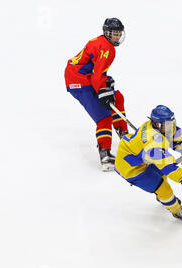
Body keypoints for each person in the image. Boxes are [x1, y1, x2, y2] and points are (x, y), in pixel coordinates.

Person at [115, 105, 182, 223]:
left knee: (162, 176)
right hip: (130, 166)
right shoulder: (152, 141)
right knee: (164, 189)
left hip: (144, 158)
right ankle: (176, 210)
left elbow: (178, 137)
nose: (171, 126)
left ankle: (163, 198)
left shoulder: (164, 127)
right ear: (157, 124)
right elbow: (168, 167)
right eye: (168, 124)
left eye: (172, 122)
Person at [64, 18, 129, 171]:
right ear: (107, 33)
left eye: (119, 33)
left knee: (117, 97)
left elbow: (96, 71)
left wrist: (105, 85)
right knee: (104, 117)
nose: (118, 37)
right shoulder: (107, 48)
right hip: (79, 80)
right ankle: (105, 155)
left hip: (81, 76)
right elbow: (97, 75)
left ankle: (125, 137)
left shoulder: (101, 42)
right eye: (115, 33)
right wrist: (102, 89)